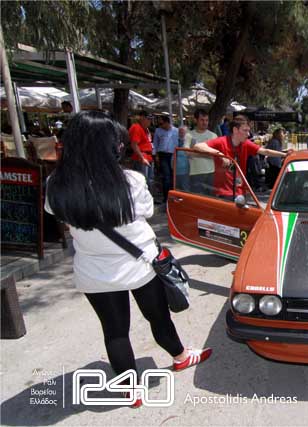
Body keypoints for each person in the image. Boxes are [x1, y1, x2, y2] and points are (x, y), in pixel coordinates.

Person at [45, 111, 212, 408]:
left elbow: (55, 213)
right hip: (139, 266)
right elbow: (146, 211)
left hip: (93, 271)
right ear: (109, 145)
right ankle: (181, 356)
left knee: (115, 331)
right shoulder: (131, 181)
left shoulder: (55, 183)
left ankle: (130, 390)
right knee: (158, 317)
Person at [193, 115, 293, 199]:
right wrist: (220, 154)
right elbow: (197, 146)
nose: (248, 134)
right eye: (245, 130)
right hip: (223, 193)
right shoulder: (221, 141)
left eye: (248, 130)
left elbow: (264, 151)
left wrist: (284, 154)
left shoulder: (246, 143)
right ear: (235, 130)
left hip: (240, 191)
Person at [184, 109, 217, 194]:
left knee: (210, 199)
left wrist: (195, 152)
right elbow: (186, 152)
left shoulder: (213, 136)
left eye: (206, 120)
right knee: (197, 199)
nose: (205, 122)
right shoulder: (189, 135)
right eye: (202, 120)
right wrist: (207, 154)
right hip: (195, 173)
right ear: (196, 120)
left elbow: (215, 154)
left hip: (211, 173)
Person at [153, 115, 179, 203]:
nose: (160, 125)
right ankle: (166, 197)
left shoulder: (176, 131)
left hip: (173, 154)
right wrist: (155, 155)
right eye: (159, 124)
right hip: (163, 155)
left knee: (173, 175)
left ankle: (173, 194)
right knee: (166, 176)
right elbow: (155, 143)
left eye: (162, 123)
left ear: (167, 122)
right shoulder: (158, 130)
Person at [129, 111, 154, 192]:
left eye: (151, 119)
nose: (150, 121)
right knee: (142, 181)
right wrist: (142, 158)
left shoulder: (145, 129)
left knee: (149, 181)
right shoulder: (136, 127)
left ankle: (148, 197)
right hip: (142, 158)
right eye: (148, 119)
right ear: (142, 118)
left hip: (148, 157)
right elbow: (134, 144)